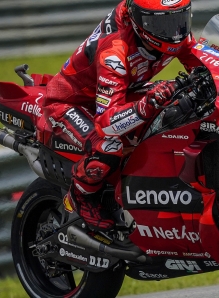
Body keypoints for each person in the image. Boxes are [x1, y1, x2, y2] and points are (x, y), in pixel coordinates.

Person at [41, 0, 203, 232]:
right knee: (108, 146)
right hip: (70, 103)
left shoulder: (174, 35)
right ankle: (80, 195)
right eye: (163, 24)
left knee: (175, 105)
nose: (174, 31)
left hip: (119, 92)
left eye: (178, 19)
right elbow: (106, 124)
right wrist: (144, 106)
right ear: (140, 21)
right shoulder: (114, 53)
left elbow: (201, 66)